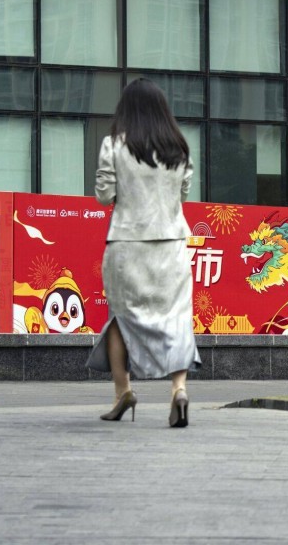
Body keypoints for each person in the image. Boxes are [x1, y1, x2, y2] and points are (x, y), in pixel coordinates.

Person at [86, 78, 200, 428]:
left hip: (127, 246)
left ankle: (123, 392)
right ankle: (178, 390)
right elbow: (184, 194)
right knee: (178, 317)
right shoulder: (178, 148)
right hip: (171, 246)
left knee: (121, 318)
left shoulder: (113, 145)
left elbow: (104, 195)